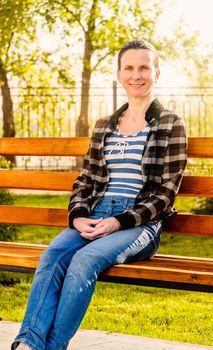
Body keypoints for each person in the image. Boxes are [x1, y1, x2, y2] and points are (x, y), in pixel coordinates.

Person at [12, 39, 187, 350]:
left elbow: (166, 193)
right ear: (119, 75)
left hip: (138, 224)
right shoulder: (105, 126)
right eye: (129, 68)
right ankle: (28, 344)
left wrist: (118, 222)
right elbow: (86, 179)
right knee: (52, 257)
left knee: (84, 260)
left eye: (144, 68)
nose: (137, 75)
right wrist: (78, 217)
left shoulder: (170, 123)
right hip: (94, 215)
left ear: (156, 73)